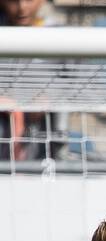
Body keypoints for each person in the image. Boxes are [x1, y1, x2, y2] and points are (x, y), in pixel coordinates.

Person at [1, 0, 67, 162]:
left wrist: (51, 98)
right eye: (13, 1)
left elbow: (94, 91)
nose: (22, 7)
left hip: (41, 148)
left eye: (29, 0)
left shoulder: (63, 38)